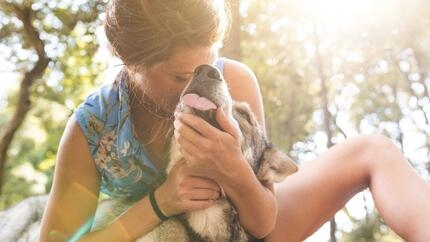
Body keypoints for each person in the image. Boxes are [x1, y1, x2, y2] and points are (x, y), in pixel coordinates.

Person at [39, 0, 430, 241]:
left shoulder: (233, 81)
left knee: (372, 150)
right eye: (180, 77)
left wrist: (232, 170)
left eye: (208, 66)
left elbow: (263, 224)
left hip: (244, 226)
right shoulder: (92, 127)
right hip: (160, 234)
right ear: (131, 62)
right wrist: (160, 203)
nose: (201, 83)